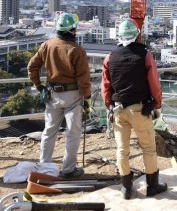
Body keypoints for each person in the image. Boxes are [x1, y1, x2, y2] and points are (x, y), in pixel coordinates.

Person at [101, 18, 167, 199]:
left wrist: (109, 105)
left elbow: (105, 86)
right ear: (137, 34)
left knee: (122, 150)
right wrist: (157, 104)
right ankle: (152, 186)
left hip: (118, 110)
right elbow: (154, 83)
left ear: (119, 35)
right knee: (148, 147)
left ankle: (126, 188)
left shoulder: (110, 57)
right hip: (139, 109)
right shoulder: (145, 55)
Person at [27, 12, 91, 179]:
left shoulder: (47, 45)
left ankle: (44, 165)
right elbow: (83, 79)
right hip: (73, 95)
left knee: (49, 131)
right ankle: (68, 169)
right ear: (71, 30)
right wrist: (88, 98)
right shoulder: (77, 50)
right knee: (73, 133)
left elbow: (32, 67)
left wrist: (38, 85)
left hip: (52, 94)